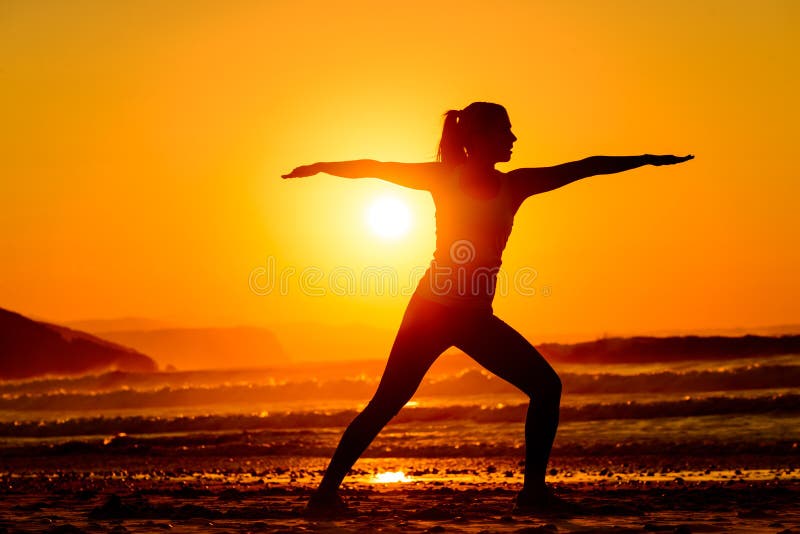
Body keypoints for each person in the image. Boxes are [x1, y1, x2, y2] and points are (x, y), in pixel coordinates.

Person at [282, 102, 693, 514]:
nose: (513, 138)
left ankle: (533, 494)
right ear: (478, 138)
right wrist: (321, 167)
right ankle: (324, 495)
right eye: (504, 131)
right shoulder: (444, 178)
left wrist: (645, 159)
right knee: (387, 402)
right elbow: (376, 168)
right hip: (430, 314)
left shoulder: (515, 185)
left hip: (474, 318)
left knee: (546, 388)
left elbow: (585, 167)